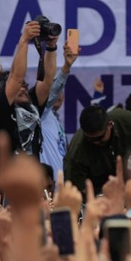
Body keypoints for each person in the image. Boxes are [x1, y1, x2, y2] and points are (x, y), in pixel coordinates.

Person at [0, 20, 58, 157]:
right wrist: (24, 40)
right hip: (5, 176)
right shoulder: (0, 109)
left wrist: (51, 47)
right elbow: (15, 78)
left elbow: (47, 81)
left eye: (25, 85)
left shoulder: (31, 108)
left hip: (31, 175)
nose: (22, 88)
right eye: (18, 87)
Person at [64, 104, 131, 194]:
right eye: (90, 139)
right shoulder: (77, 150)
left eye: (99, 138)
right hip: (99, 195)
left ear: (110, 124)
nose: (95, 142)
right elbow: (76, 189)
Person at [40, 44, 79, 183]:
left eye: (61, 91)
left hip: (60, 191)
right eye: (56, 91)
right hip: (43, 192)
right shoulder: (38, 114)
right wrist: (65, 67)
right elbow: (50, 94)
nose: (58, 95)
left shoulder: (55, 120)